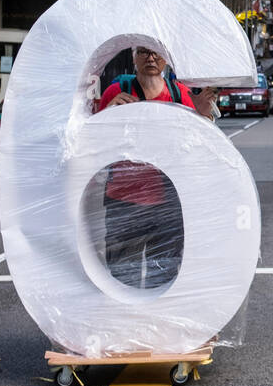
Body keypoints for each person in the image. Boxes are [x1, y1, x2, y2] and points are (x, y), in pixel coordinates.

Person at [93, 45, 218, 289]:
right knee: (122, 271)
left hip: (168, 200)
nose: (150, 58)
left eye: (156, 53)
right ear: (134, 59)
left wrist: (204, 115)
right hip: (123, 199)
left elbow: (198, 142)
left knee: (163, 270)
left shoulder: (177, 93)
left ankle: (155, 324)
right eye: (143, 52)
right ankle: (126, 324)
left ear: (166, 60)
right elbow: (95, 142)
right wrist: (108, 112)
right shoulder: (117, 91)